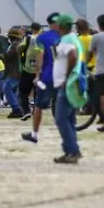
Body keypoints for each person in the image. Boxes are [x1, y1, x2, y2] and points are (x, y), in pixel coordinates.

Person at [50, 14, 84, 164]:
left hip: (67, 84)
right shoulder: (73, 38)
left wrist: (66, 77)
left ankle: (72, 151)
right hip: (71, 82)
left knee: (61, 119)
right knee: (69, 119)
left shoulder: (66, 40)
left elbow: (72, 56)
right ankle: (71, 150)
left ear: (61, 26)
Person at [22, 14, 61, 145]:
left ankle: (34, 134)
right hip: (62, 76)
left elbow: (40, 55)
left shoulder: (43, 37)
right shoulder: (66, 36)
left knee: (39, 105)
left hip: (48, 76)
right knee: (63, 103)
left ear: (49, 23)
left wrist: (38, 74)